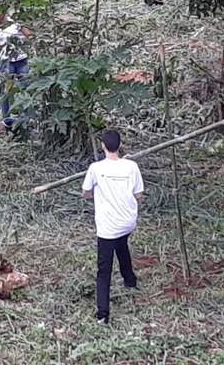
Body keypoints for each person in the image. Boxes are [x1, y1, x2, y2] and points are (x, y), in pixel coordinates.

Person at [82, 130, 144, 324]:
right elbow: (139, 194)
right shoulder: (131, 166)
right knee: (122, 244)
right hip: (127, 221)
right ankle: (130, 280)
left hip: (108, 226)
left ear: (102, 146)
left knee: (104, 270)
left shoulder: (95, 168)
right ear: (120, 145)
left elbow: (86, 192)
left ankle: (102, 313)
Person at [0, 12, 31, 128]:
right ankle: (6, 120)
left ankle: (26, 119)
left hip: (21, 60)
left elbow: (29, 35)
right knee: (5, 92)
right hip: (6, 62)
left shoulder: (15, 22)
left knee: (25, 89)